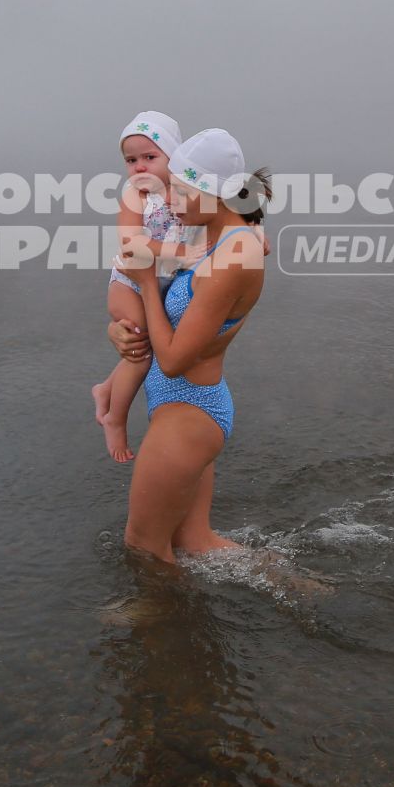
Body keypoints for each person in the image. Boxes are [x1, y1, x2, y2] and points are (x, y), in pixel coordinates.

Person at [110, 128, 270, 566]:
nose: (171, 203)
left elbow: (176, 359)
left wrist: (144, 284)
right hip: (180, 406)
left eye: (180, 192)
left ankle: (164, 629)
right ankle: (291, 583)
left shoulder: (234, 256)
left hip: (189, 409)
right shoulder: (215, 237)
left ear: (211, 193)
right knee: (194, 543)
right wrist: (120, 331)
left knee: (143, 548)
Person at [92, 111, 192, 464]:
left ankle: (106, 388)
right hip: (127, 282)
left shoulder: (186, 194)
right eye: (130, 160)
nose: (139, 168)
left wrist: (254, 235)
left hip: (160, 282)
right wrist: (182, 253)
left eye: (150, 157)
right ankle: (115, 419)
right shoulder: (136, 197)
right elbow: (131, 244)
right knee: (140, 348)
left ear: (173, 157)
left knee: (147, 341)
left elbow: (228, 215)